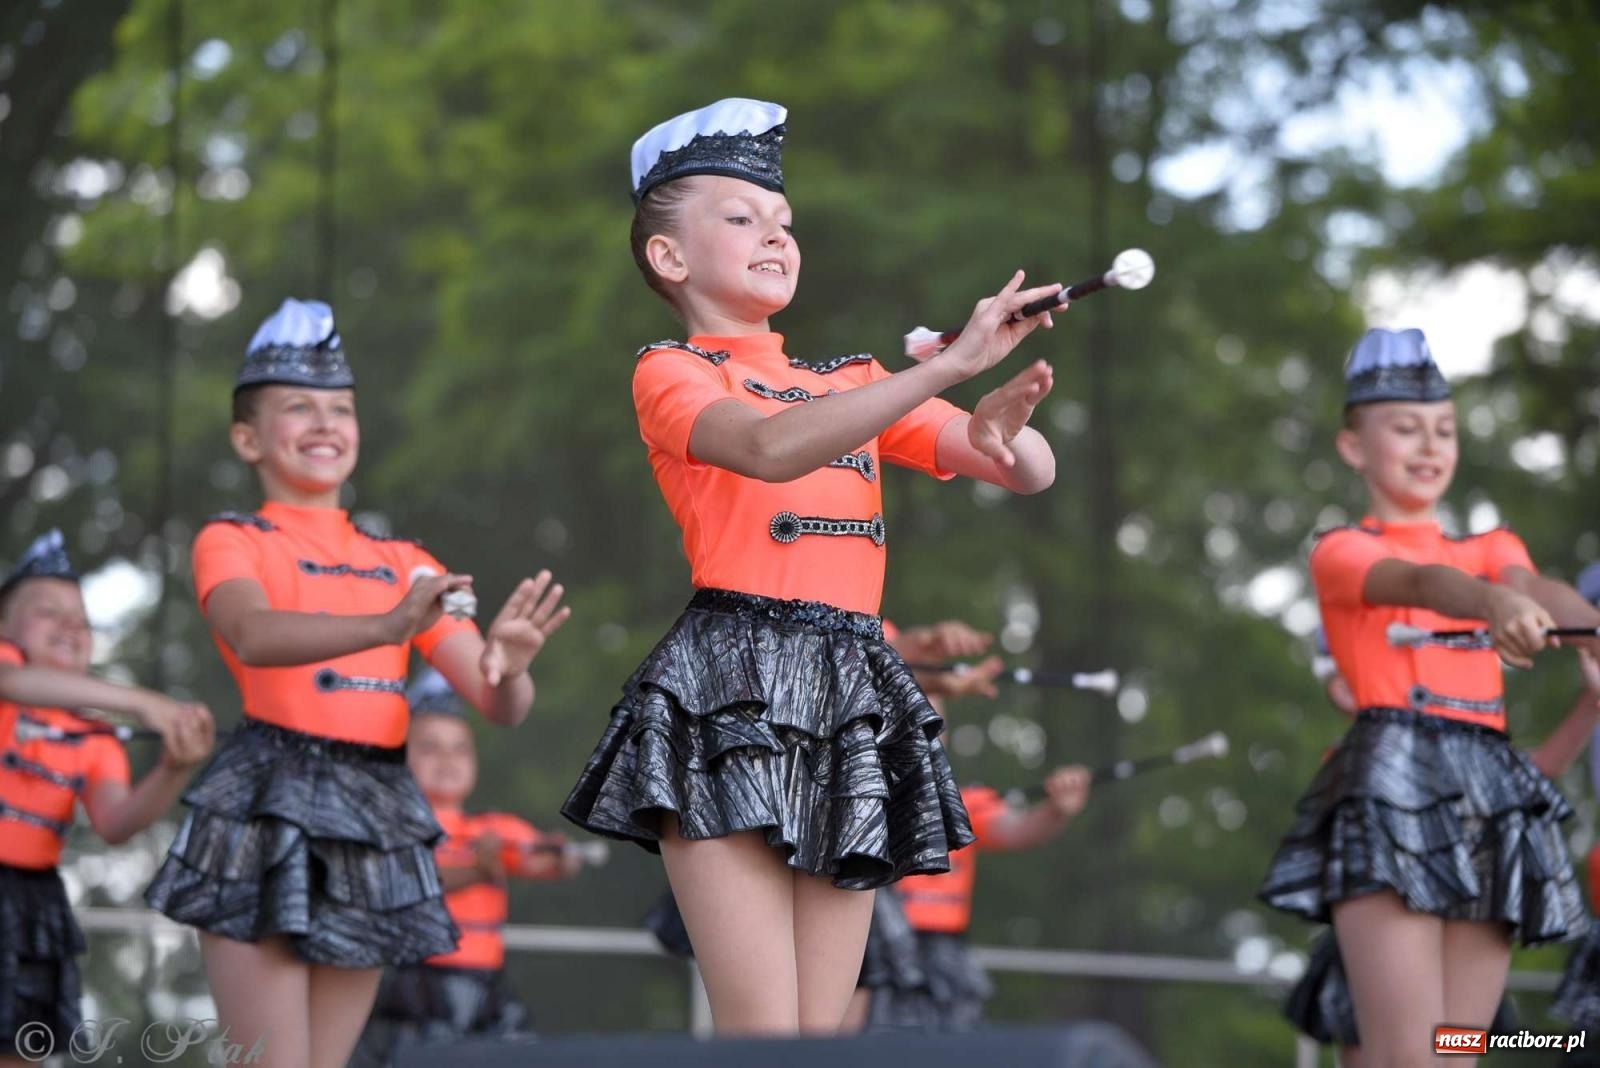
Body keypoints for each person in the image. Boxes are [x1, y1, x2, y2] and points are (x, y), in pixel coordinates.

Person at [561, 98, 1061, 1035]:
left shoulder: (858, 383)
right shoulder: (672, 369)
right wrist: (947, 370)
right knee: (765, 1034)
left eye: (785, 222)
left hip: (850, 690)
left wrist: (999, 428)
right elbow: (766, 449)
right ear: (669, 258)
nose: (775, 235)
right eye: (742, 217)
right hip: (729, 689)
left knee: (826, 1041)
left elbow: (1027, 469)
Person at [144, 300, 571, 1068]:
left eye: (340, 408)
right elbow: (252, 632)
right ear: (247, 438)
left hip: (375, 810)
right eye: (298, 407)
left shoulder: (407, 561)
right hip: (270, 798)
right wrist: (384, 627)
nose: (324, 423)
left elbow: (498, 703)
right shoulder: (235, 537)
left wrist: (510, 661)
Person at [1259, 328, 1598, 1066]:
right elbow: (1418, 582)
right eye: (1405, 428)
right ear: (1354, 447)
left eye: (1444, 428)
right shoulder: (1341, 549)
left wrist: (1587, 627)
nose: (1429, 444)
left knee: (1455, 1054)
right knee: (1407, 1057)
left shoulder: (1492, 546)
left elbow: (1532, 585)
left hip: (1491, 797)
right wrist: (1489, 605)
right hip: (1393, 785)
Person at [0, 530, 214, 1065]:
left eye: (82, 619)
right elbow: (16, 684)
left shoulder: (93, 732)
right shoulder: (7, 667)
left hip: (31, 900)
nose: (70, 625)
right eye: (47, 611)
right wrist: (143, 704)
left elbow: (116, 822)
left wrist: (174, 768)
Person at [848, 620, 1091, 1032]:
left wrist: (1056, 811)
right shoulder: (860, 797)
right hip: (875, 944)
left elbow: (1014, 829)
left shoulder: (963, 801)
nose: (922, 728)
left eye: (932, 713)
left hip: (943, 952)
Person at [352, 669, 593, 1066]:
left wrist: (560, 854)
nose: (448, 760)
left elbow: (544, 860)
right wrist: (478, 870)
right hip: (422, 986)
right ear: (401, 757)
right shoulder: (392, 827)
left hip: (486, 985)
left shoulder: (491, 829)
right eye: (430, 748)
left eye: (460, 749)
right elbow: (409, 880)